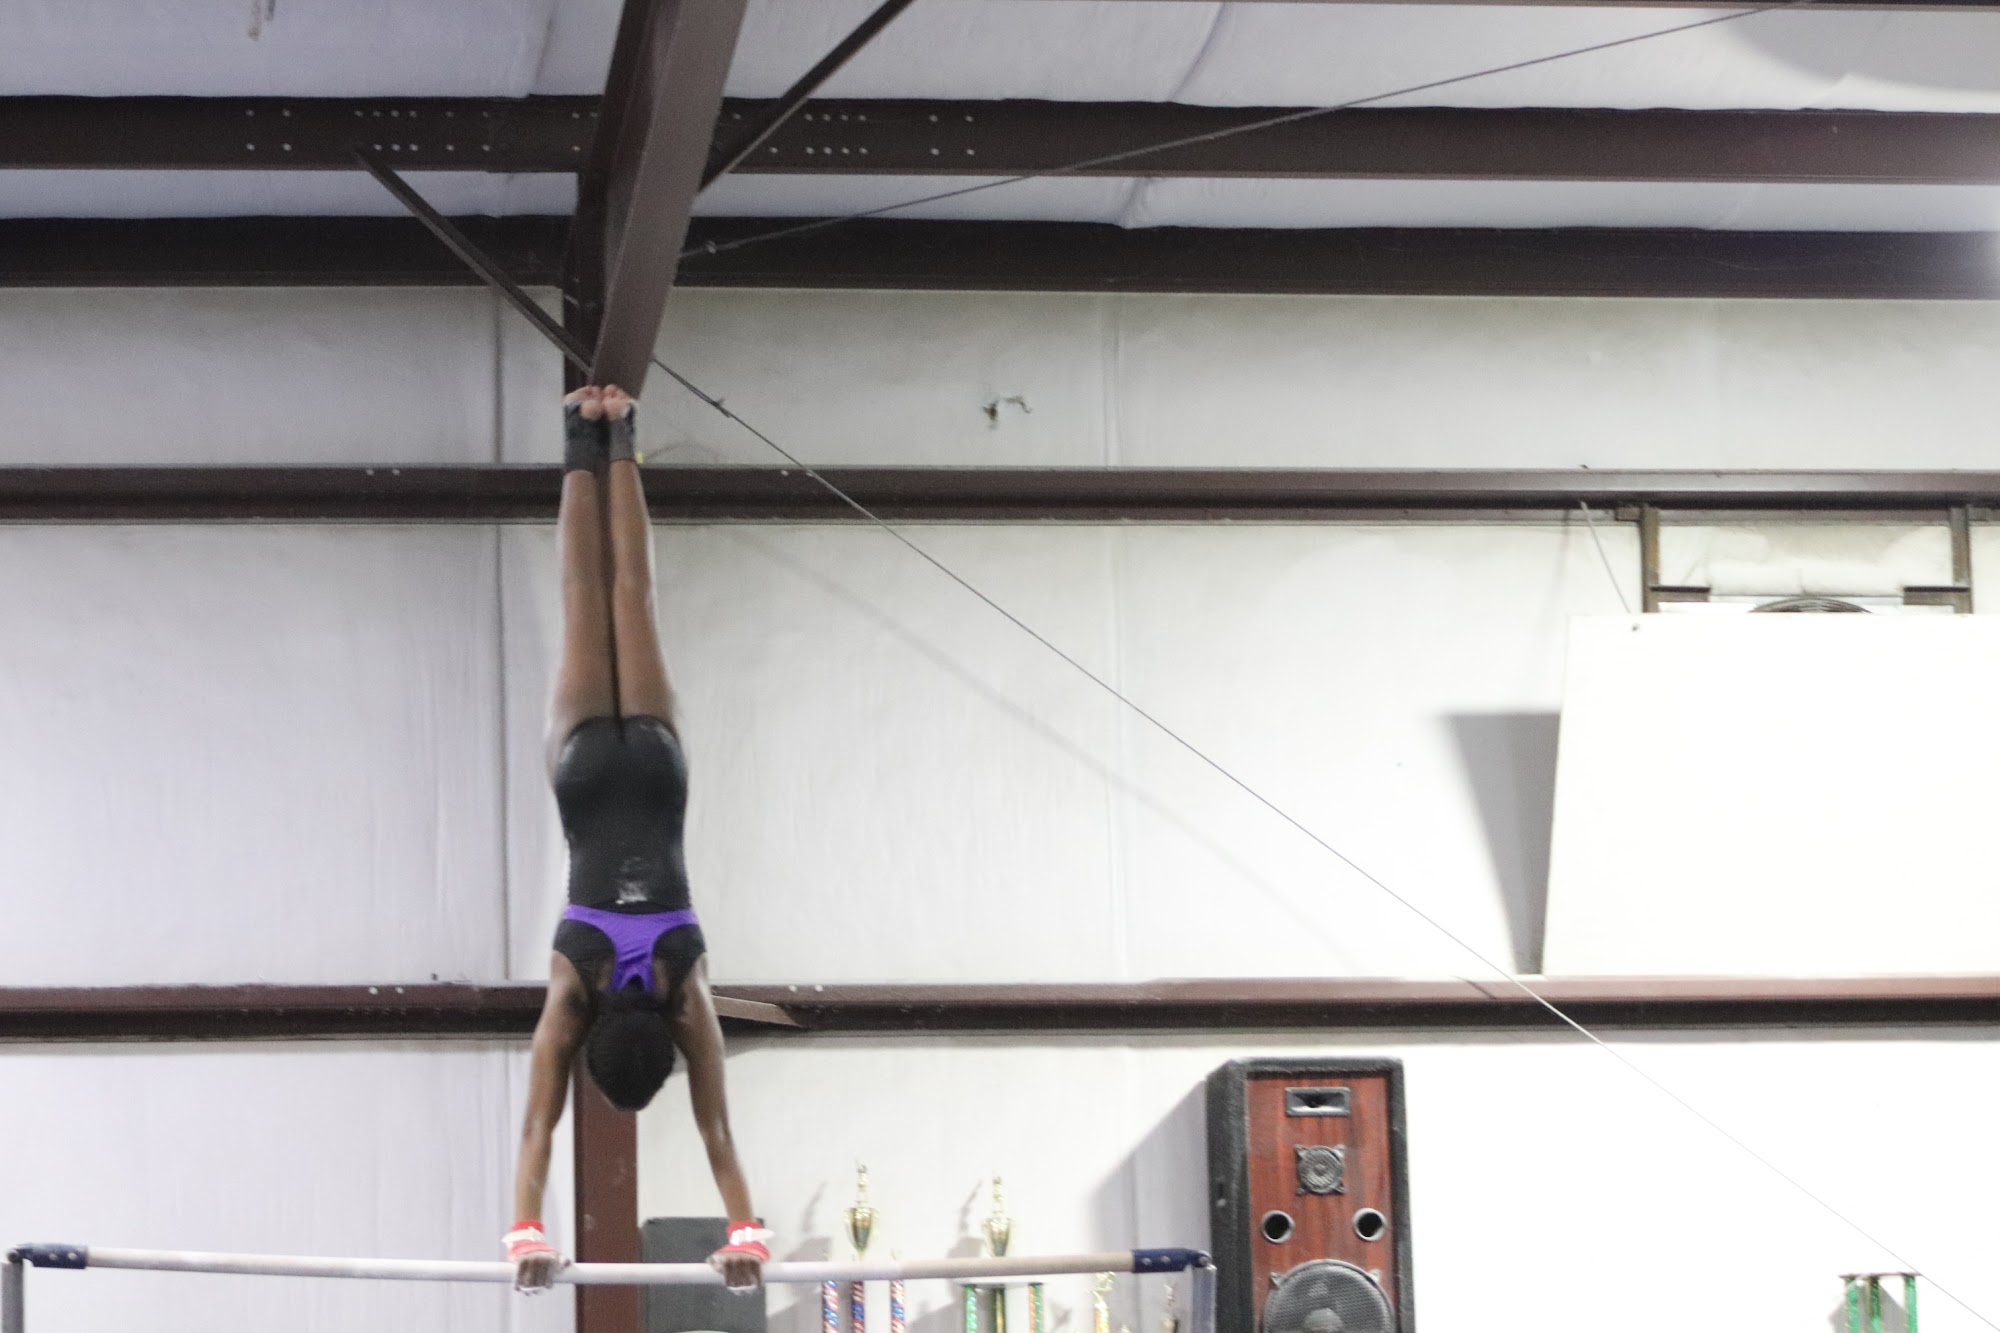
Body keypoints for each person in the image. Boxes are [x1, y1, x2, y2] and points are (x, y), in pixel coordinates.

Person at [506, 385, 767, 1294]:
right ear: (591, 1042)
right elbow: (536, 1132)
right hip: (584, 770)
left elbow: (719, 1134)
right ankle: (579, 429)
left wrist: (747, 1235)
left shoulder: (685, 989)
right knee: (585, 595)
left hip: (656, 768)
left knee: (633, 596)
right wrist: (525, 1234)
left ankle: (619, 428)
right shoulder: (571, 990)